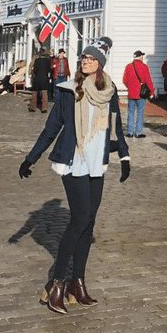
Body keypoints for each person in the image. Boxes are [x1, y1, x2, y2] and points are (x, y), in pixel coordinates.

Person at [18, 39, 130, 315]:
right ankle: (56, 283)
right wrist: (30, 158)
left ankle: (77, 283)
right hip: (73, 161)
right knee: (78, 219)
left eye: (91, 59)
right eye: (83, 59)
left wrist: (124, 157)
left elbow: (115, 128)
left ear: (100, 64)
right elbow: (52, 128)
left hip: (96, 162)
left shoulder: (108, 91)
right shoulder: (69, 91)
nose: (86, 62)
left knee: (89, 223)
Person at [122, 50, 155, 138]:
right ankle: (138, 132)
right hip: (141, 94)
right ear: (140, 57)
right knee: (140, 113)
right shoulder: (144, 67)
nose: (143, 58)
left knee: (130, 112)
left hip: (131, 94)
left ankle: (129, 132)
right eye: (142, 56)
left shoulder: (128, 67)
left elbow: (124, 80)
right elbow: (148, 81)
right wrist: (151, 92)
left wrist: (130, 87)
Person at [29, 48, 52, 113]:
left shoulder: (37, 61)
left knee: (34, 93)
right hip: (45, 78)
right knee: (44, 94)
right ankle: (44, 108)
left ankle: (33, 107)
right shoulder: (48, 61)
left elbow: (35, 70)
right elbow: (49, 70)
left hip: (37, 78)